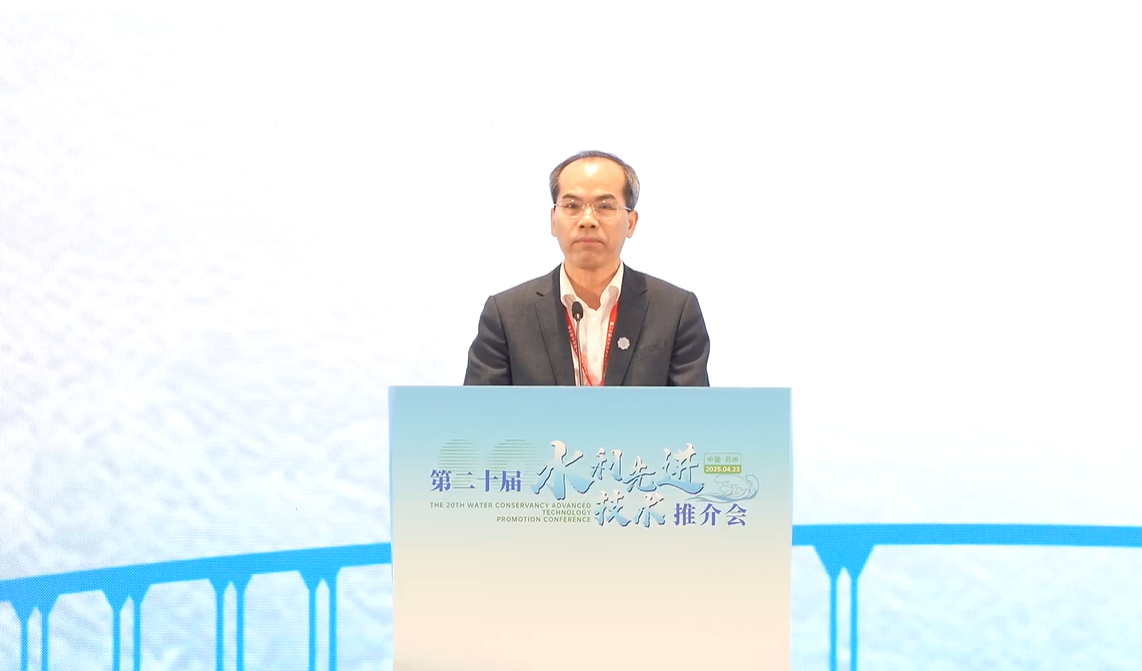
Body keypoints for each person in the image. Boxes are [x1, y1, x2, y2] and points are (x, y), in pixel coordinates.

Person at [463, 150, 710, 387]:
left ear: (631, 223)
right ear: (553, 220)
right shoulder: (506, 315)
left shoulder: (675, 312)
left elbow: (692, 413)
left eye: (605, 206)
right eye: (572, 206)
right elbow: (478, 412)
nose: (588, 220)